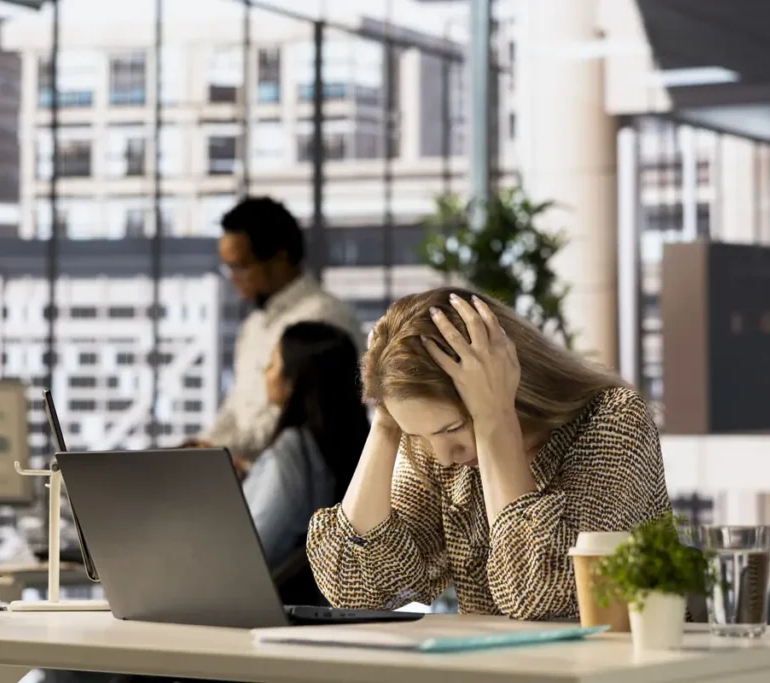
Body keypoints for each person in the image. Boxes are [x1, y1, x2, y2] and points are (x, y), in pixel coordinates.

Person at [305, 287, 672, 621]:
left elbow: (538, 594)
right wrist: (387, 421)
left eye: (452, 429)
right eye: (420, 435)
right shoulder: (439, 454)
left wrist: (495, 417)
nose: (445, 456)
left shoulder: (614, 419)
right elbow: (357, 592)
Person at [195, 196, 364, 465]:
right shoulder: (254, 325)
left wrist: (215, 452)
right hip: (252, 470)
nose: (232, 277)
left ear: (280, 259)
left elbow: (293, 420)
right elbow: (237, 409)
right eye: (227, 266)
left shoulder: (322, 320)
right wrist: (201, 446)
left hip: (295, 477)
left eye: (239, 266)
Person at [243, 321, 369, 571]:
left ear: (293, 380)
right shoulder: (342, 448)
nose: (265, 371)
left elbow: (250, 550)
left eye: (273, 362)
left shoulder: (291, 452)